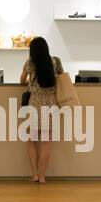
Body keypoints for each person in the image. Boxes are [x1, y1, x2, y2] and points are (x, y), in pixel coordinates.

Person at [19, 36, 64, 184]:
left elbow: (22, 79)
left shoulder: (30, 63)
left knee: (31, 140)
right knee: (46, 142)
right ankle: (43, 176)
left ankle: (35, 175)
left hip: (35, 104)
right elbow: (62, 78)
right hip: (51, 104)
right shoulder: (56, 61)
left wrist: (31, 81)